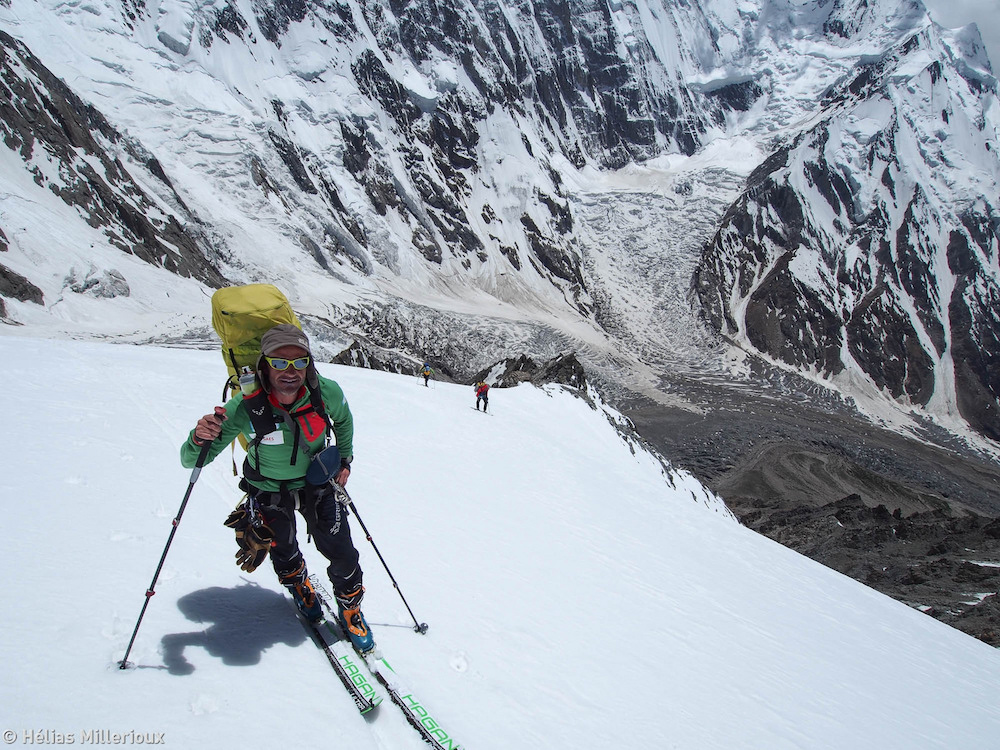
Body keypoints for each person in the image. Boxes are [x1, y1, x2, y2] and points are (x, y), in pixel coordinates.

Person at [180, 324, 373, 653]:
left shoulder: (326, 392)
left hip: (318, 482)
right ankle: (299, 585)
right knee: (283, 548)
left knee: (342, 551)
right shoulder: (244, 407)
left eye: (299, 362)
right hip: (268, 488)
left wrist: (345, 459)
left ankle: (350, 606)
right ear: (264, 364)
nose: (291, 371)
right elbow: (191, 459)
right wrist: (200, 437)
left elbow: (344, 420)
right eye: (280, 362)